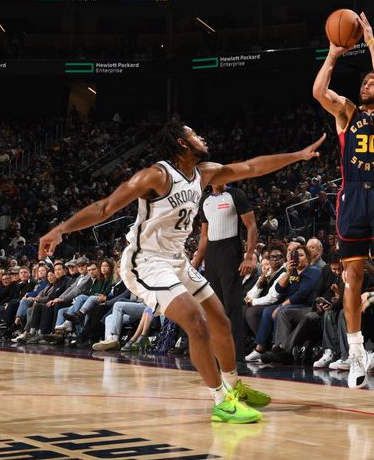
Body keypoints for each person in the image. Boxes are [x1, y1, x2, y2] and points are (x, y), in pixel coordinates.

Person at [39, 120, 325, 424]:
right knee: (196, 321)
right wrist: (60, 230)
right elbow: (105, 206)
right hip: (146, 261)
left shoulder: (204, 173)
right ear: (180, 143)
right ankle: (220, 401)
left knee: (221, 321)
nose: (201, 136)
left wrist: (297, 155)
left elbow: (251, 167)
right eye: (193, 134)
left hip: (177, 260)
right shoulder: (156, 176)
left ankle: (233, 386)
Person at [313, 12, 374, 388]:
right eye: (366, 80)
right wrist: (333, 54)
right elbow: (319, 93)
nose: (371, 82)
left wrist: (370, 41)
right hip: (352, 196)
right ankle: (355, 353)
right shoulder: (347, 113)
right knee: (351, 278)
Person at [193, 183, 258, 364]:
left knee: (232, 308)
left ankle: (237, 358)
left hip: (231, 252)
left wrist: (249, 256)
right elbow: (204, 236)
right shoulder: (205, 200)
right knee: (214, 309)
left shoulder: (235, 194)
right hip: (212, 256)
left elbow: (251, 226)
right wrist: (195, 265)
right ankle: (217, 355)